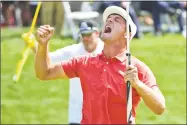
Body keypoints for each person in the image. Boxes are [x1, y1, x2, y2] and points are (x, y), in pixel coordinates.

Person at [35, 6, 166, 124]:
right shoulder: (84, 62)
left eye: (116, 20)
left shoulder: (137, 68)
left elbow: (160, 107)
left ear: (127, 34)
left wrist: (138, 84)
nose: (109, 21)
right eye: (108, 19)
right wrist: (43, 45)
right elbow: (45, 73)